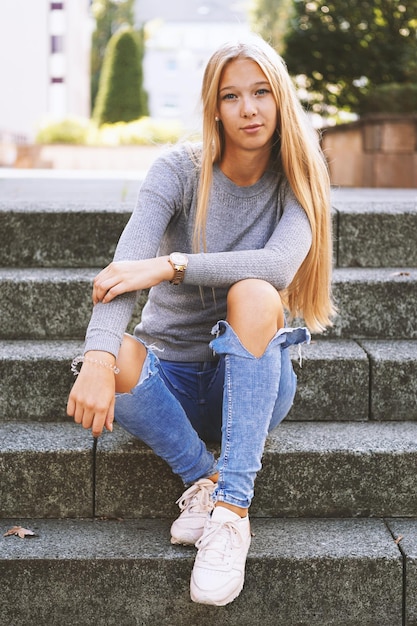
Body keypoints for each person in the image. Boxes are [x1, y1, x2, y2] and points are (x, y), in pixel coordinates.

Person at [67, 34, 334, 607]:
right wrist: (96, 356)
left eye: (261, 92)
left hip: (255, 378)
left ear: (280, 97)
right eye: (232, 96)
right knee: (120, 357)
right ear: (214, 106)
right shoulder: (179, 172)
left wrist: (171, 266)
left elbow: (279, 264)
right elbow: (120, 272)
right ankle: (204, 480)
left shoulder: (298, 177)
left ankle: (232, 513)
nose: (249, 109)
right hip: (174, 381)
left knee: (258, 294)